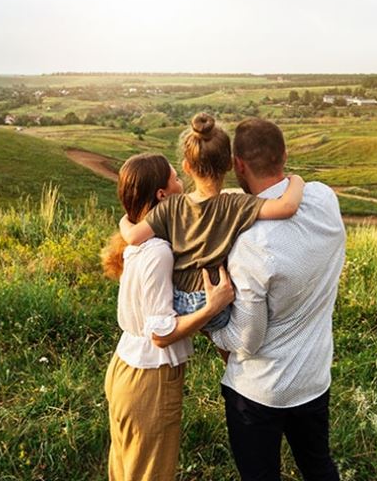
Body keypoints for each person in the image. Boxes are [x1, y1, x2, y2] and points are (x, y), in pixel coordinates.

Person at [210, 118, 346, 481]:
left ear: (238, 165)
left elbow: (248, 340)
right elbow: (295, 187)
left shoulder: (250, 241)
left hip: (260, 390)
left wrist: (210, 325)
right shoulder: (324, 199)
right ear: (284, 155)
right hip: (314, 378)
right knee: (318, 466)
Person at [101, 153, 236, 481]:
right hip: (151, 380)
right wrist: (212, 307)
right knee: (151, 473)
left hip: (124, 368)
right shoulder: (159, 251)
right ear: (162, 194)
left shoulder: (137, 238)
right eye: (176, 179)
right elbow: (161, 333)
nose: (182, 184)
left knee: (125, 468)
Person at [118, 112, 305, 334]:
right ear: (229, 164)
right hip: (214, 303)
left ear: (187, 166)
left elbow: (132, 237)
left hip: (177, 301)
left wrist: (124, 220)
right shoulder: (235, 204)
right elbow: (287, 207)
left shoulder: (172, 205)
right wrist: (297, 180)